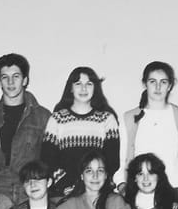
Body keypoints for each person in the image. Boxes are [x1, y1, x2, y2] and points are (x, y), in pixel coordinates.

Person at [117, 61, 178, 198]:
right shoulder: (129, 118)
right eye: (152, 81)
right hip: (139, 191)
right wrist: (122, 185)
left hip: (174, 191)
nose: (158, 87)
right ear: (145, 84)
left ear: (170, 86)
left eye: (163, 82)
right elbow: (123, 159)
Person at [0, 53, 52, 204]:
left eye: (16, 76)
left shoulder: (43, 116)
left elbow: (48, 159)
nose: (10, 82)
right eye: (5, 77)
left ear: (25, 80)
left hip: (29, 190)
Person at [41, 67, 120, 198]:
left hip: (97, 191)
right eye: (78, 84)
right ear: (71, 88)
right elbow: (47, 160)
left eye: (89, 84)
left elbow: (112, 162)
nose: (83, 89)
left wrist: (93, 185)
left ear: (95, 88)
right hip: (64, 192)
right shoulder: (57, 119)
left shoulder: (107, 119)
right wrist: (67, 185)